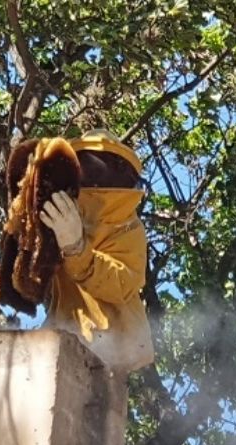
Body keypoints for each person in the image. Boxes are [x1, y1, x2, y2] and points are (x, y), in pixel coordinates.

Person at [39, 129, 154, 374]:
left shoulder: (128, 226)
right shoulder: (63, 213)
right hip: (62, 337)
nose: (95, 178)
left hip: (113, 348)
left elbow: (122, 282)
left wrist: (76, 248)